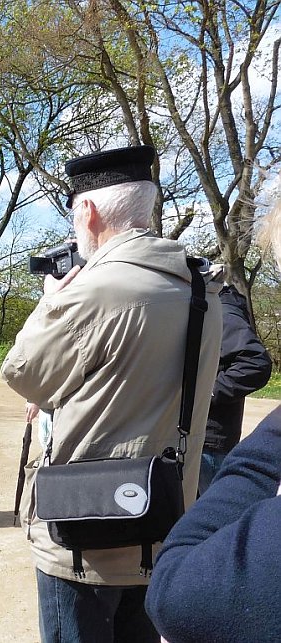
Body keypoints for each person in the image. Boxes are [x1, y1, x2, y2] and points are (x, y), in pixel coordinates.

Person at [0, 145, 223, 643]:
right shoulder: (200, 290)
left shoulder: (96, 291)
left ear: (88, 209)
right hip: (163, 520)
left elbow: (24, 375)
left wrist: (48, 306)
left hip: (85, 531)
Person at [144, 199, 281, 642]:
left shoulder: (219, 302)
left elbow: (254, 363)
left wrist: (199, 398)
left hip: (213, 443)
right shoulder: (185, 303)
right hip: (192, 442)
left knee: (208, 553)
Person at [198, 283, 271, 495]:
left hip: (210, 443)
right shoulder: (208, 307)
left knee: (208, 520)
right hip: (202, 439)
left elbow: (256, 363)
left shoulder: (222, 310)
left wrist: (205, 393)